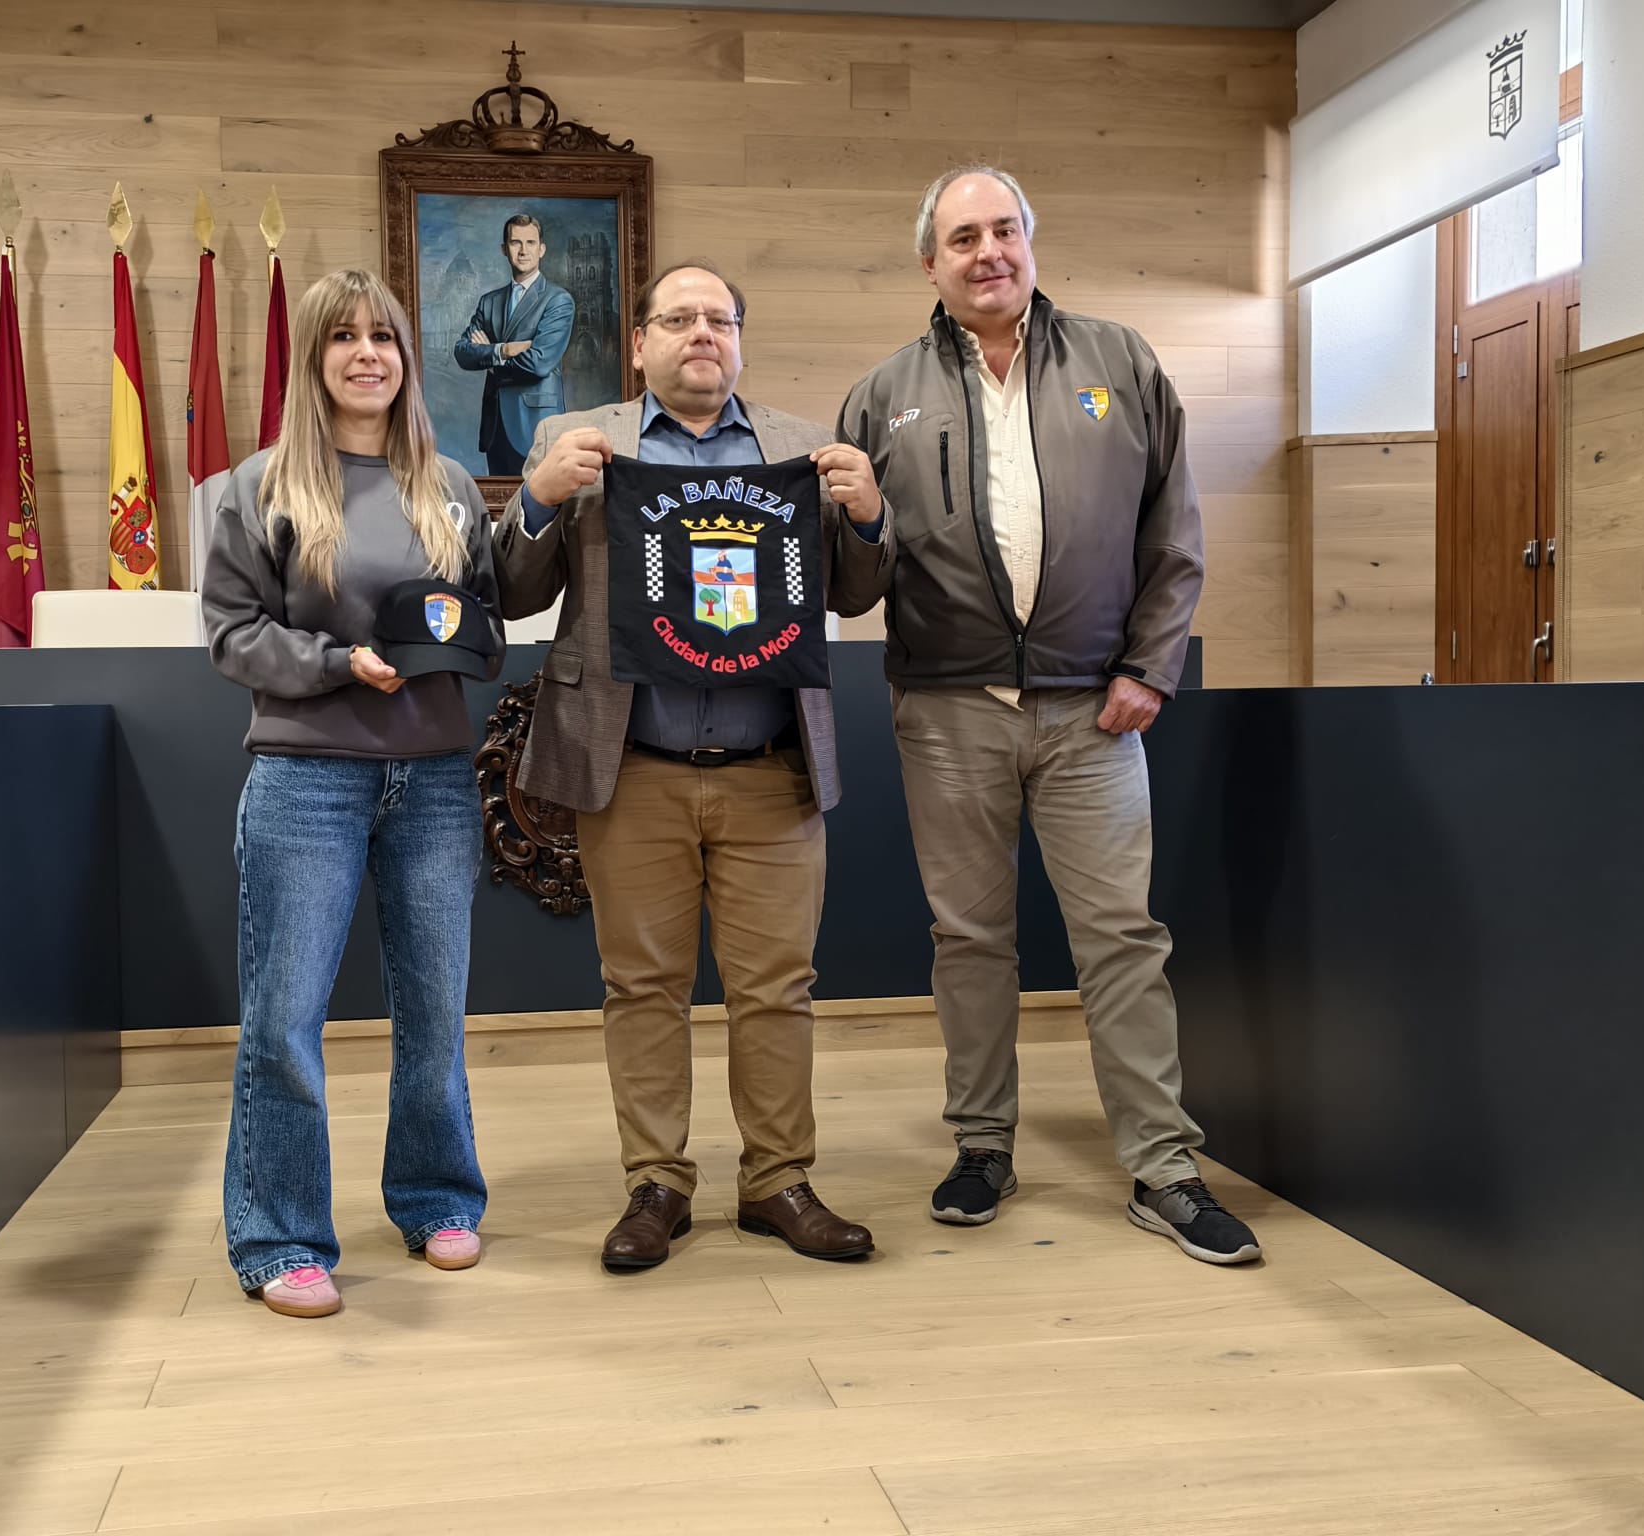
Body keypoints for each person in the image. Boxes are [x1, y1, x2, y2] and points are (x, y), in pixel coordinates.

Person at [837, 166, 1262, 1265]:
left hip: (1094, 713)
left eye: (1003, 230)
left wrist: (1150, 669)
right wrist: (863, 520)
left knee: (1122, 939)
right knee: (969, 941)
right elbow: (850, 579)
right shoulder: (882, 393)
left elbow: (1173, 529)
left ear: (1029, 241)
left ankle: (1161, 1165)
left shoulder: (1116, 363)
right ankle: (982, 1146)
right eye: (961, 236)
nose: (988, 251)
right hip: (945, 711)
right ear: (928, 262)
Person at [495, 261, 893, 1273]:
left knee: (777, 986)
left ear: (741, 341)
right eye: (678, 318)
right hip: (631, 766)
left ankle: (777, 1181)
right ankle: (655, 1184)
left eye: (718, 319)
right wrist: (537, 504)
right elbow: (507, 590)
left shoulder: (801, 449)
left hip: (772, 766)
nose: (700, 334)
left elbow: (853, 592)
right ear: (640, 344)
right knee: (641, 986)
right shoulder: (578, 442)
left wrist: (866, 519)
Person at [202, 268, 505, 1317]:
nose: (367, 354)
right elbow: (231, 636)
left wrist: (462, 644)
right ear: (314, 359)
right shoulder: (257, 488)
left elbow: (481, 621)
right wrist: (341, 667)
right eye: (345, 338)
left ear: (407, 359)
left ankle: (434, 1198)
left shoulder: (452, 488)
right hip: (304, 781)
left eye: (384, 337)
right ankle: (279, 1234)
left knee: (433, 1008)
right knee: (283, 1018)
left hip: (430, 781)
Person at [453, 213, 577, 475]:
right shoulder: (489, 302)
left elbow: (539, 363)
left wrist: (489, 360)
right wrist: (504, 349)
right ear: (504, 249)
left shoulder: (558, 301)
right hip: (495, 426)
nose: (523, 251)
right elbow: (462, 353)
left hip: (536, 427)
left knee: (541, 511)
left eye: (530, 243)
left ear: (541, 249)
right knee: (500, 512)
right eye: (515, 243)